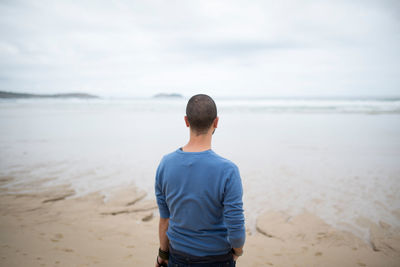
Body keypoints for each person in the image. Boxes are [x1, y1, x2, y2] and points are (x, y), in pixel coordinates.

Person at [154, 94, 246, 267]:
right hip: (217, 258)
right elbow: (236, 225)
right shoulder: (228, 170)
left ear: (186, 121)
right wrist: (238, 251)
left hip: (178, 256)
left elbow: (165, 219)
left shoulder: (165, 164)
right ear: (216, 122)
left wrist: (162, 254)